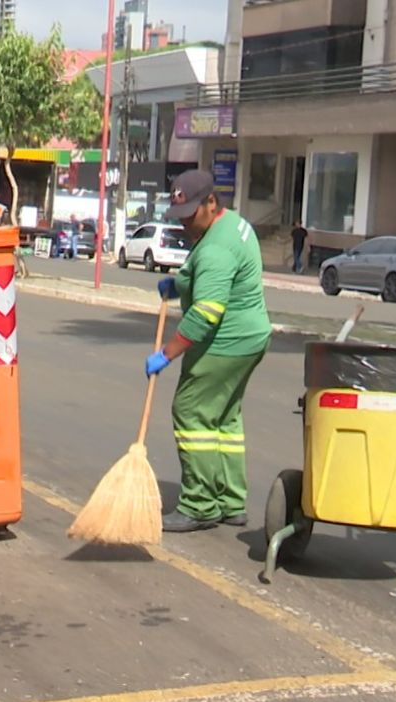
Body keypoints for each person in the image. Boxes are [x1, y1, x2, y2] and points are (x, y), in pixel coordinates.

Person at [148, 170, 272, 533]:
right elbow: (216, 279)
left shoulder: (215, 248)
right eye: (179, 215)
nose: (185, 223)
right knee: (224, 418)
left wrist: (166, 354)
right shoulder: (234, 225)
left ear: (211, 203)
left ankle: (199, 504)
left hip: (225, 341)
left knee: (192, 412)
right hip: (252, 336)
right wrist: (182, 282)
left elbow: (206, 313)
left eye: (190, 214)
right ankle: (231, 501)